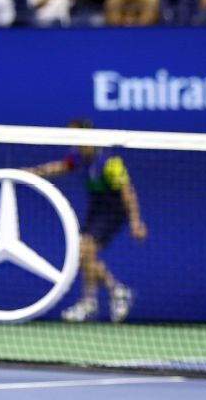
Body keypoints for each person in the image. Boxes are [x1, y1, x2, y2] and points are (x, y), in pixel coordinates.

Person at [24, 119, 147, 323]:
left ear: (86, 135)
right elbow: (60, 167)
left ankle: (90, 301)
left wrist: (136, 222)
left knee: (85, 249)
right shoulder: (78, 157)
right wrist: (34, 172)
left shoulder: (110, 163)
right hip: (96, 211)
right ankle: (116, 291)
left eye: (74, 135)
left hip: (113, 212)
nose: (70, 140)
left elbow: (128, 192)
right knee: (83, 254)